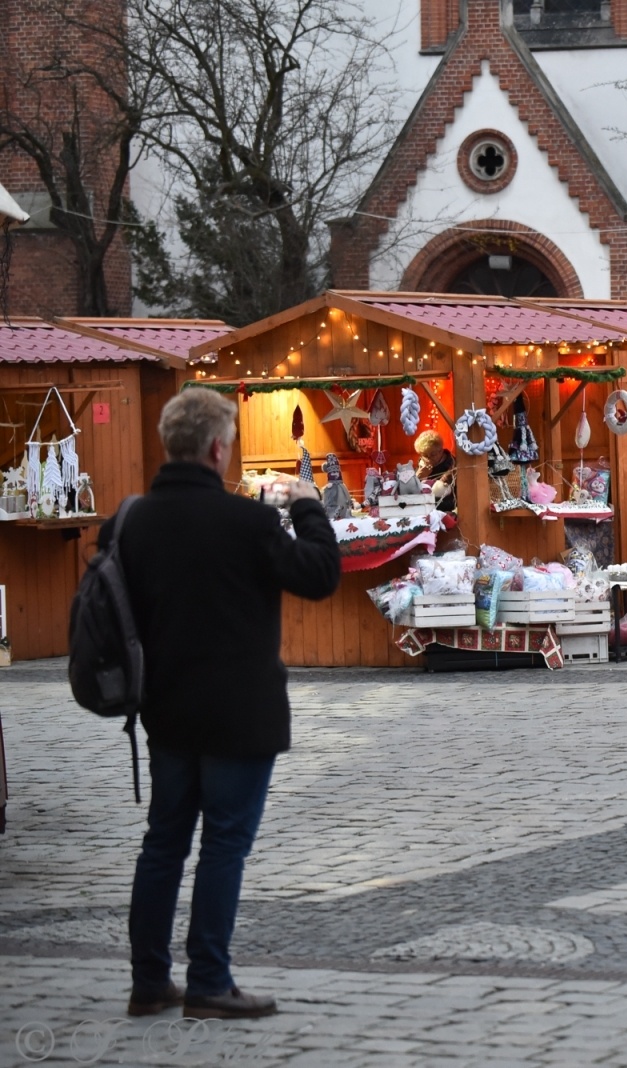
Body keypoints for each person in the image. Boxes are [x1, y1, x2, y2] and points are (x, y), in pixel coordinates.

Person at [117, 389, 341, 1019]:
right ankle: (210, 981)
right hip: (240, 714)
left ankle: (149, 980)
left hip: (165, 709)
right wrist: (306, 507)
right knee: (222, 845)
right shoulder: (246, 523)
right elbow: (321, 575)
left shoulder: (134, 520)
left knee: (163, 843)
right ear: (219, 449)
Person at [414, 429, 456, 511]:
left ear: (441, 450)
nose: (428, 459)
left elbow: (454, 500)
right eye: (425, 455)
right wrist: (417, 478)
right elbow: (410, 494)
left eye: (432, 455)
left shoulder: (453, 465)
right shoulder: (421, 466)